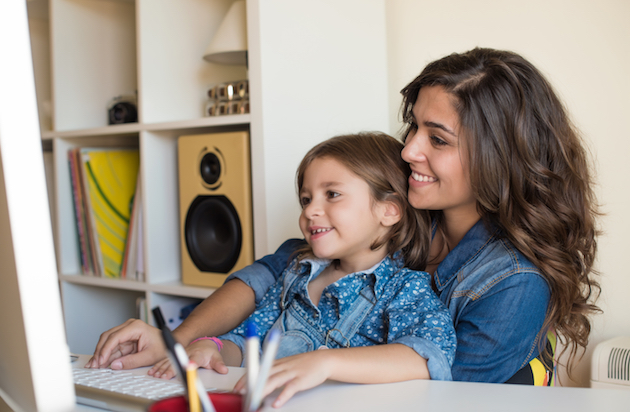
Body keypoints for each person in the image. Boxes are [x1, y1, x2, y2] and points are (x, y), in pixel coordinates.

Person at [88, 47, 600, 386]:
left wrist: (322, 363)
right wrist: (177, 342)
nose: (409, 150)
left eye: (437, 139)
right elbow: (273, 272)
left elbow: (441, 386)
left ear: (500, 158)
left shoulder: (514, 284)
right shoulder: (403, 217)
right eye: (414, 128)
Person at [162, 133, 456, 406]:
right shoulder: (297, 274)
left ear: (388, 210)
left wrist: (325, 363)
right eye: (306, 199)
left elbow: (427, 356)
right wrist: (214, 348)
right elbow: (251, 344)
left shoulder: (404, 288)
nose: (310, 211)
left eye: (332, 194)